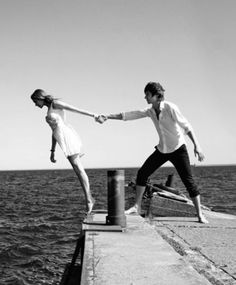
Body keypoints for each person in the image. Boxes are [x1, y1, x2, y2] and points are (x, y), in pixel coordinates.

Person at [97, 82, 208, 223]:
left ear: (156, 95)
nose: (145, 97)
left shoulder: (170, 107)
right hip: (162, 149)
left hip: (178, 149)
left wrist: (197, 146)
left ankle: (200, 214)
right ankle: (136, 207)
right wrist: (107, 116)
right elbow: (129, 115)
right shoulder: (150, 111)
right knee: (142, 173)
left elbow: (187, 126)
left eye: (147, 94)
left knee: (189, 181)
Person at [31, 89, 96, 214]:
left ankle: (89, 200)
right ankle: (89, 198)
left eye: (35, 101)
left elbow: (75, 109)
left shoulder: (55, 103)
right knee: (77, 169)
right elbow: (54, 131)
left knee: (78, 168)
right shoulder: (49, 109)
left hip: (67, 136)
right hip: (61, 139)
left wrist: (93, 115)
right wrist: (52, 151)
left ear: (40, 98)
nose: (35, 104)